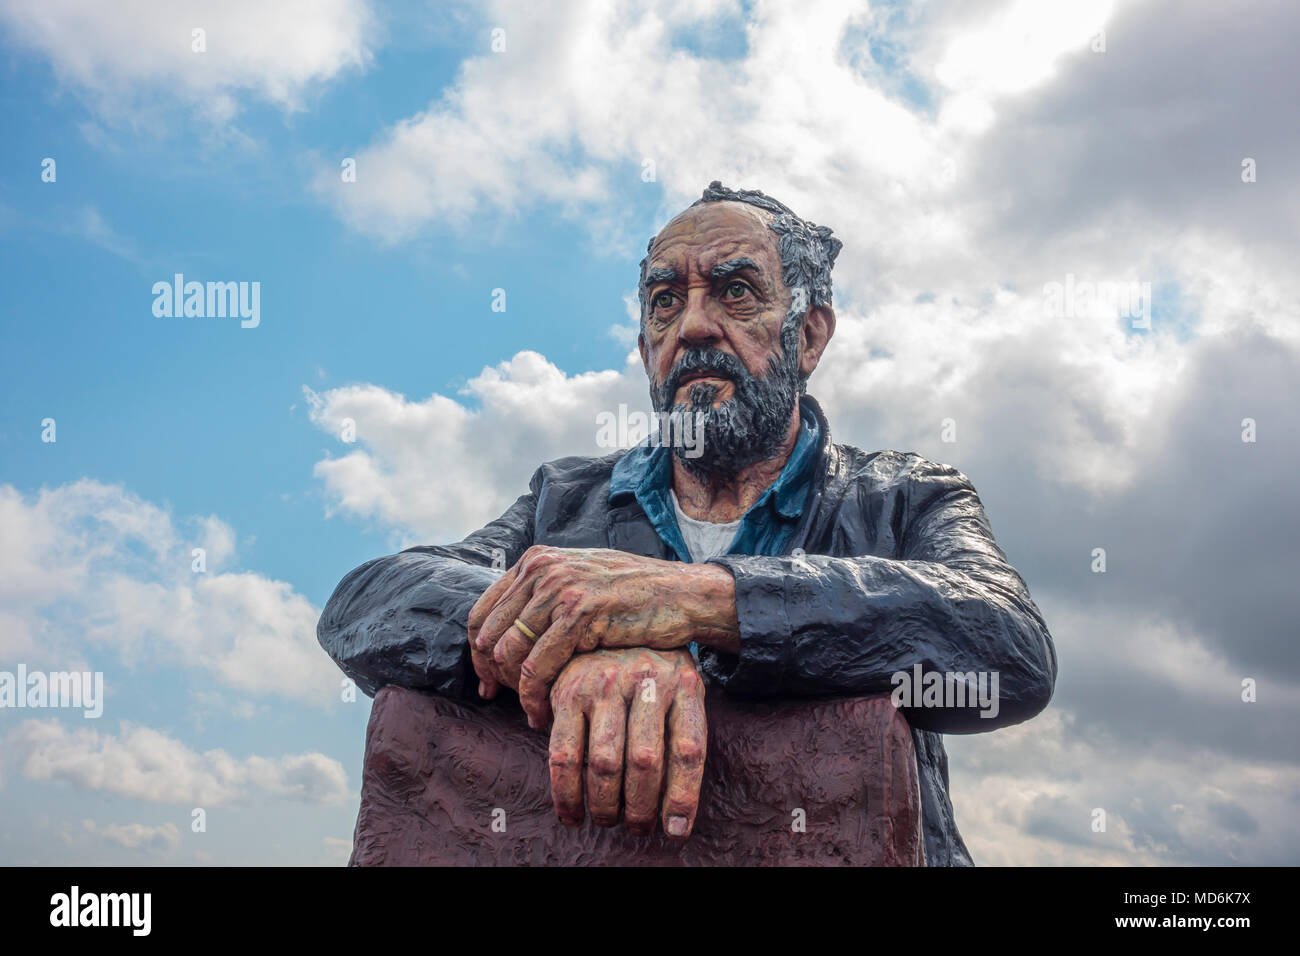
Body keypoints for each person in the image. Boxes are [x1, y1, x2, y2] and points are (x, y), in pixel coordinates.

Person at [317, 182, 1057, 866]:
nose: (694, 326)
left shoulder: (904, 499)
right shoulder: (562, 501)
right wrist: (577, 644)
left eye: (736, 292)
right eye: (665, 301)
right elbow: (364, 605)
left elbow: (1009, 648)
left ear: (808, 336)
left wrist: (699, 602)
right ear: (645, 350)